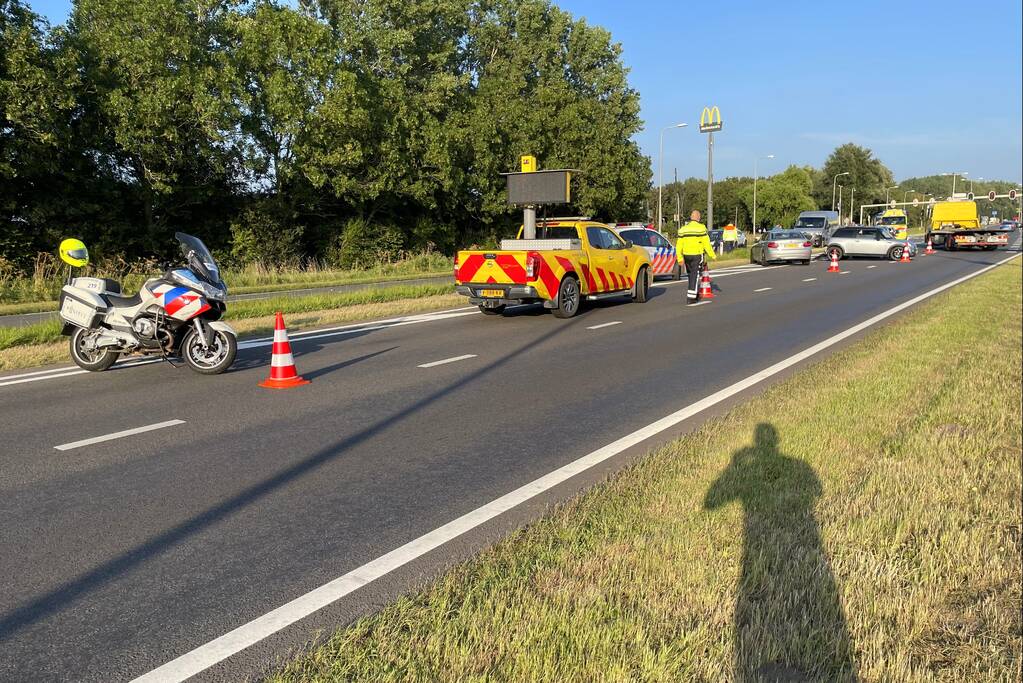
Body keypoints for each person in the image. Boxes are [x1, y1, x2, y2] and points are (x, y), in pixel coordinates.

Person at [675, 210, 716, 304]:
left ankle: (693, 292)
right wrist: (712, 255)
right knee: (695, 275)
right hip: (697, 255)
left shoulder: (683, 229)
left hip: (686, 255)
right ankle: (691, 297)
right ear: (698, 218)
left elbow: (679, 245)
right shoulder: (701, 228)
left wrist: (680, 258)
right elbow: (706, 244)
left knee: (690, 275)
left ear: (691, 217)